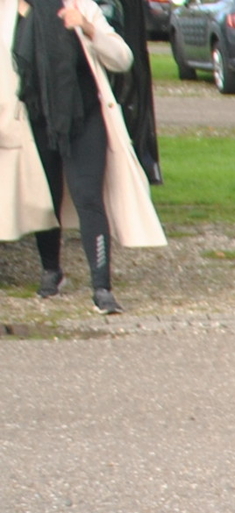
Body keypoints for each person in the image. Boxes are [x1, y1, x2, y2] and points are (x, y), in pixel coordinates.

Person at [12, 0, 163, 313]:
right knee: (46, 195)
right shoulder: (10, 12)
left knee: (88, 196)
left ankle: (101, 287)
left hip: (84, 116)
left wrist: (88, 26)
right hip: (35, 118)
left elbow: (123, 59)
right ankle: (51, 270)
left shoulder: (82, 7)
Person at [0, 0, 57, 252]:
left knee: (47, 186)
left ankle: (50, 266)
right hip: (9, 112)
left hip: (41, 109)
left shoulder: (44, 10)